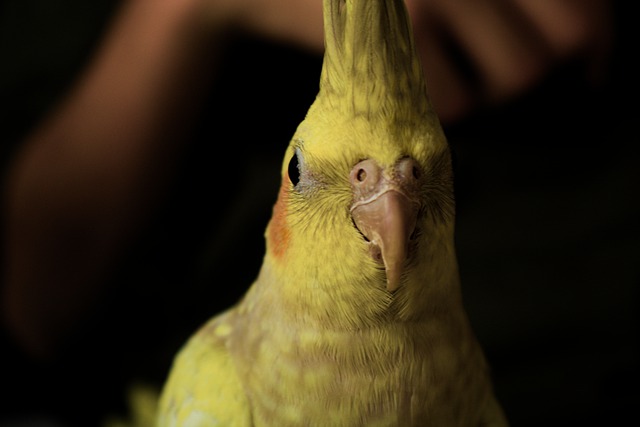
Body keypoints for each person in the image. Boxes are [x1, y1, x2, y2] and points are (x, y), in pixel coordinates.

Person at [1, 0, 632, 426]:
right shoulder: (223, 387)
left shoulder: (477, 405)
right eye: (307, 175)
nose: (387, 200)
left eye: (430, 179)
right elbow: (25, 296)